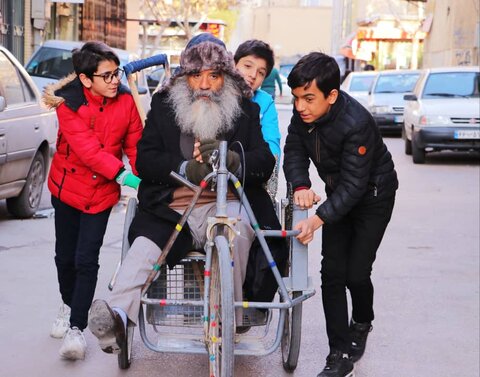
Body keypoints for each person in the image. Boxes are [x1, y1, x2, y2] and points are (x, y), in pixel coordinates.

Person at [87, 33, 287, 354]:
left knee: (237, 233)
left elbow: (265, 160)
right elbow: (145, 158)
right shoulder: (164, 106)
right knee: (142, 251)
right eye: (196, 75)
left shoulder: (245, 108)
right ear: (184, 78)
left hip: (228, 204)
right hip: (172, 209)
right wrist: (183, 168)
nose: (205, 85)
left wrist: (236, 160)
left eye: (214, 75)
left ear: (225, 77)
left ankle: (230, 318)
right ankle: (119, 319)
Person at [283, 52, 398, 377]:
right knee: (331, 273)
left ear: (331, 95)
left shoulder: (356, 123)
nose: (301, 106)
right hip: (341, 194)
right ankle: (339, 355)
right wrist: (300, 185)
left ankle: (362, 321)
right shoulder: (301, 116)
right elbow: (293, 152)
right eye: (296, 98)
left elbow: (354, 186)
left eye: (309, 98)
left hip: (374, 196)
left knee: (356, 273)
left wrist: (317, 218)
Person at [43, 41, 143, 360]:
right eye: (107, 75)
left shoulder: (125, 101)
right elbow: (88, 152)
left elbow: (135, 144)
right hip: (67, 187)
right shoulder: (67, 104)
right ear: (86, 79)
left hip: (100, 195)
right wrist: (125, 176)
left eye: (117, 73)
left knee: (87, 259)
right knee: (65, 257)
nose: (115, 80)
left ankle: (76, 329)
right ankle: (69, 302)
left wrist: (145, 176)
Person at [234, 39, 281, 198]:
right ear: (234, 64)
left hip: (250, 177)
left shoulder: (264, 102)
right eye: (247, 66)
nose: (253, 75)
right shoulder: (217, 91)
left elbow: (272, 147)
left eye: (261, 73)